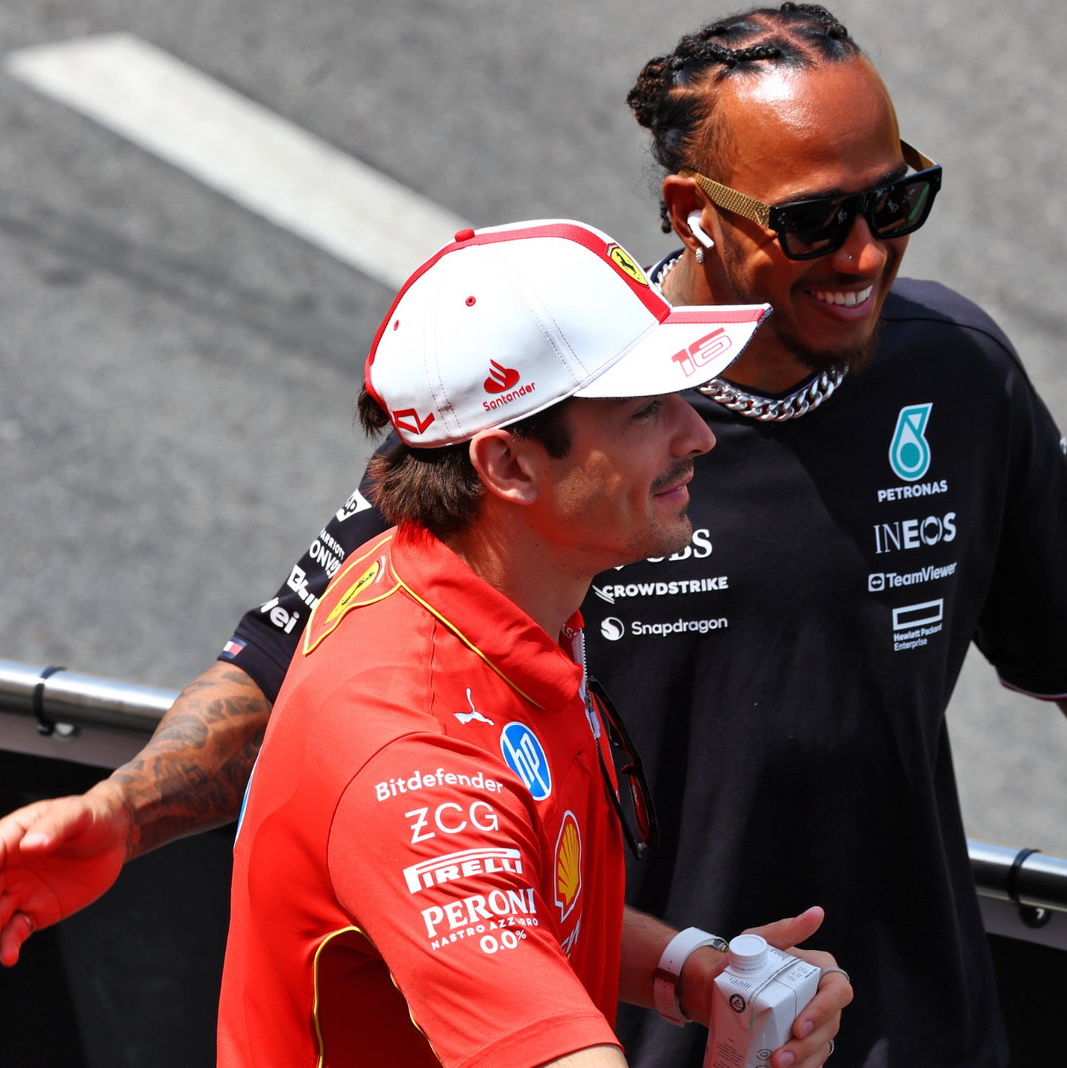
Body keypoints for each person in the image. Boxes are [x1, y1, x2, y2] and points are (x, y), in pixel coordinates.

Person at [0, 5, 1067, 1065]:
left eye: (897, 200)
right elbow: (301, 670)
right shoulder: (548, 422)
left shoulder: (950, 374)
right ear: (701, 214)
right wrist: (125, 814)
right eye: (817, 224)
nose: (867, 253)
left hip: (875, 1022)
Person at [215, 217, 848, 1066]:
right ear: (507, 466)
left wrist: (690, 972)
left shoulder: (441, 583)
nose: (697, 435)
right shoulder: (419, 763)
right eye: (644, 411)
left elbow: (517, 896)